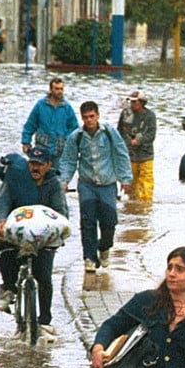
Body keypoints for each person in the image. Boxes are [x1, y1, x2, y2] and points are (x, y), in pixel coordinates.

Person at [0, 146, 68, 338]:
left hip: (44, 239)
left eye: (40, 165)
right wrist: (0, 222)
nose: (36, 168)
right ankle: (9, 288)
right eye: (32, 163)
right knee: (7, 255)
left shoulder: (54, 184)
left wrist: (56, 231)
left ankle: (45, 321)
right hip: (17, 235)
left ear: (48, 165)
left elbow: (62, 212)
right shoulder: (16, 178)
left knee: (44, 276)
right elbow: (2, 202)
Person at [59, 101, 133, 272]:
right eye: (85, 117)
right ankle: (89, 258)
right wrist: (63, 181)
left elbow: (121, 154)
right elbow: (68, 160)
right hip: (87, 184)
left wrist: (125, 179)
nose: (89, 120)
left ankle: (104, 247)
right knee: (88, 222)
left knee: (109, 222)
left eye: (92, 116)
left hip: (107, 184)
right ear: (82, 118)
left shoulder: (109, 133)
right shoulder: (76, 136)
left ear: (98, 115)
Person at [21, 78, 79, 159]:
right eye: (57, 89)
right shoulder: (40, 105)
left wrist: (66, 140)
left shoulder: (67, 107)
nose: (60, 91)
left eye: (61, 89)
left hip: (60, 151)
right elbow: (30, 124)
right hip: (42, 149)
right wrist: (26, 142)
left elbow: (74, 128)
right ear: (51, 89)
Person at [117, 89, 157, 202]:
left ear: (142, 102)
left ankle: (145, 207)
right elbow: (119, 132)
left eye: (135, 102)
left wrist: (139, 141)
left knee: (146, 187)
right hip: (129, 155)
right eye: (131, 102)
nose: (132, 104)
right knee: (130, 186)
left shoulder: (150, 116)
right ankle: (132, 209)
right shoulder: (125, 114)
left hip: (146, 156)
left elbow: (151, 135)